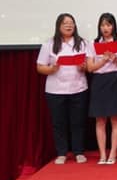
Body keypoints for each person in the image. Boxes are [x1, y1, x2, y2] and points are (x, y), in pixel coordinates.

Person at [37, 13, 90, 164]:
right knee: (59, 122)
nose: (69, 25)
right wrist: (51, 69)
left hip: (78, 88)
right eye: (65, 23)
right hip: (55, 90)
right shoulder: (49, 44)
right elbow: (40, 67)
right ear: (58, 26)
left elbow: (88, 65)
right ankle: (62, 152)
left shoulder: (82, 43)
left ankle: (78, 151)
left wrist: (83, 67)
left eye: (71, 23)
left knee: (78, 122)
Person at [87, 12, 117, 164]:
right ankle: (102, 154)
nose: (105, 28)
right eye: (102, 25)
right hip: (99, 81)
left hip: (115, 79)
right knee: (100, 120)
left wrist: (115, 59)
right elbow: (90, 68)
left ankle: (113, 154)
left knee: (115, 119)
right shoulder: (93, 43)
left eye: (108, 25)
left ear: (113, 26)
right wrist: (103, 60)